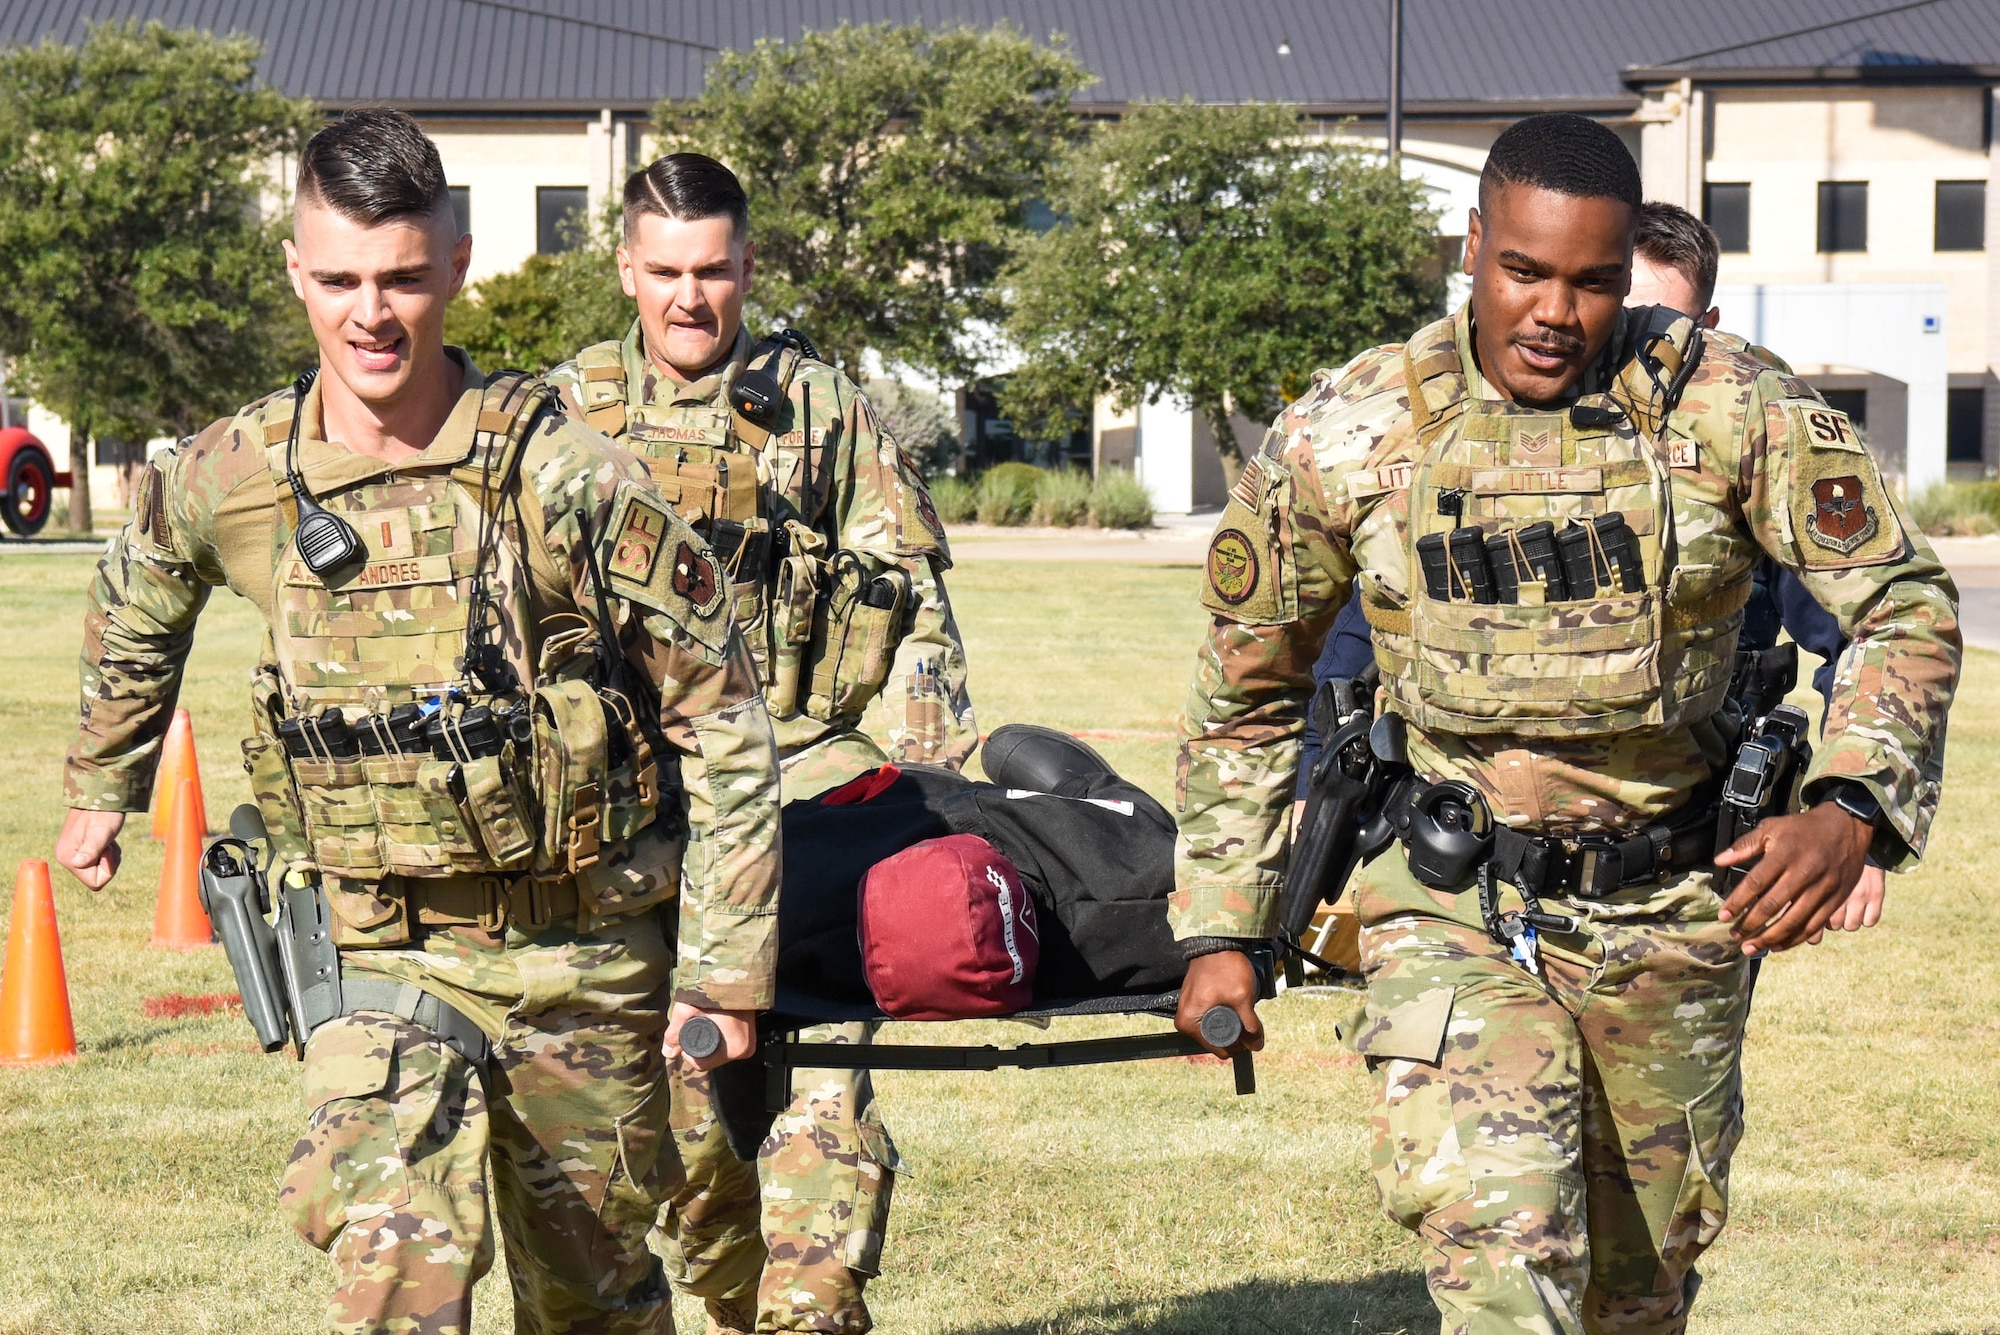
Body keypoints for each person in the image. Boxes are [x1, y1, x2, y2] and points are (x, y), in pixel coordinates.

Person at [1173, 113, 1959, 1333]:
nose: (1554, 311)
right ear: (1472, 247)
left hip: (1675, 905)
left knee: (1635, 1296)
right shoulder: (1349, 428)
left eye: (1592, 283)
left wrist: (1850, 806)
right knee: (1503, 1260)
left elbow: (1899, 605)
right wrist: (1221, 928)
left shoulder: (1728, 405)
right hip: (1454, 903)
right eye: (1523, 271)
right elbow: (1247, 694)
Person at [53, 110, 783, 1335]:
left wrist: (724, 976)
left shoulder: (568, 476)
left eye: (400, 278)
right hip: (374, 960)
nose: (369, 314)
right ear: (295, 269)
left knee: (594, 1300)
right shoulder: (240, 471)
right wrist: (103, 781)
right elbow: (139, 581)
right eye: (337, 279)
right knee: (398, 1274)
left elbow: (724, 720)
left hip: (580, 961)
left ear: (456, 263)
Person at [547, 154, 974, 1335]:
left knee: (817, 1125)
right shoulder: (563, 414)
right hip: (643, 826)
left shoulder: (817, 408)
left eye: (715, 270)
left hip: (810, 806)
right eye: (666, 272)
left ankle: (809, 1310)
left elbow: (915, 604)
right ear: (627, 269)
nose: (692, 299)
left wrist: (938, 792)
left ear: (747, 266)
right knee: (690, 1155)